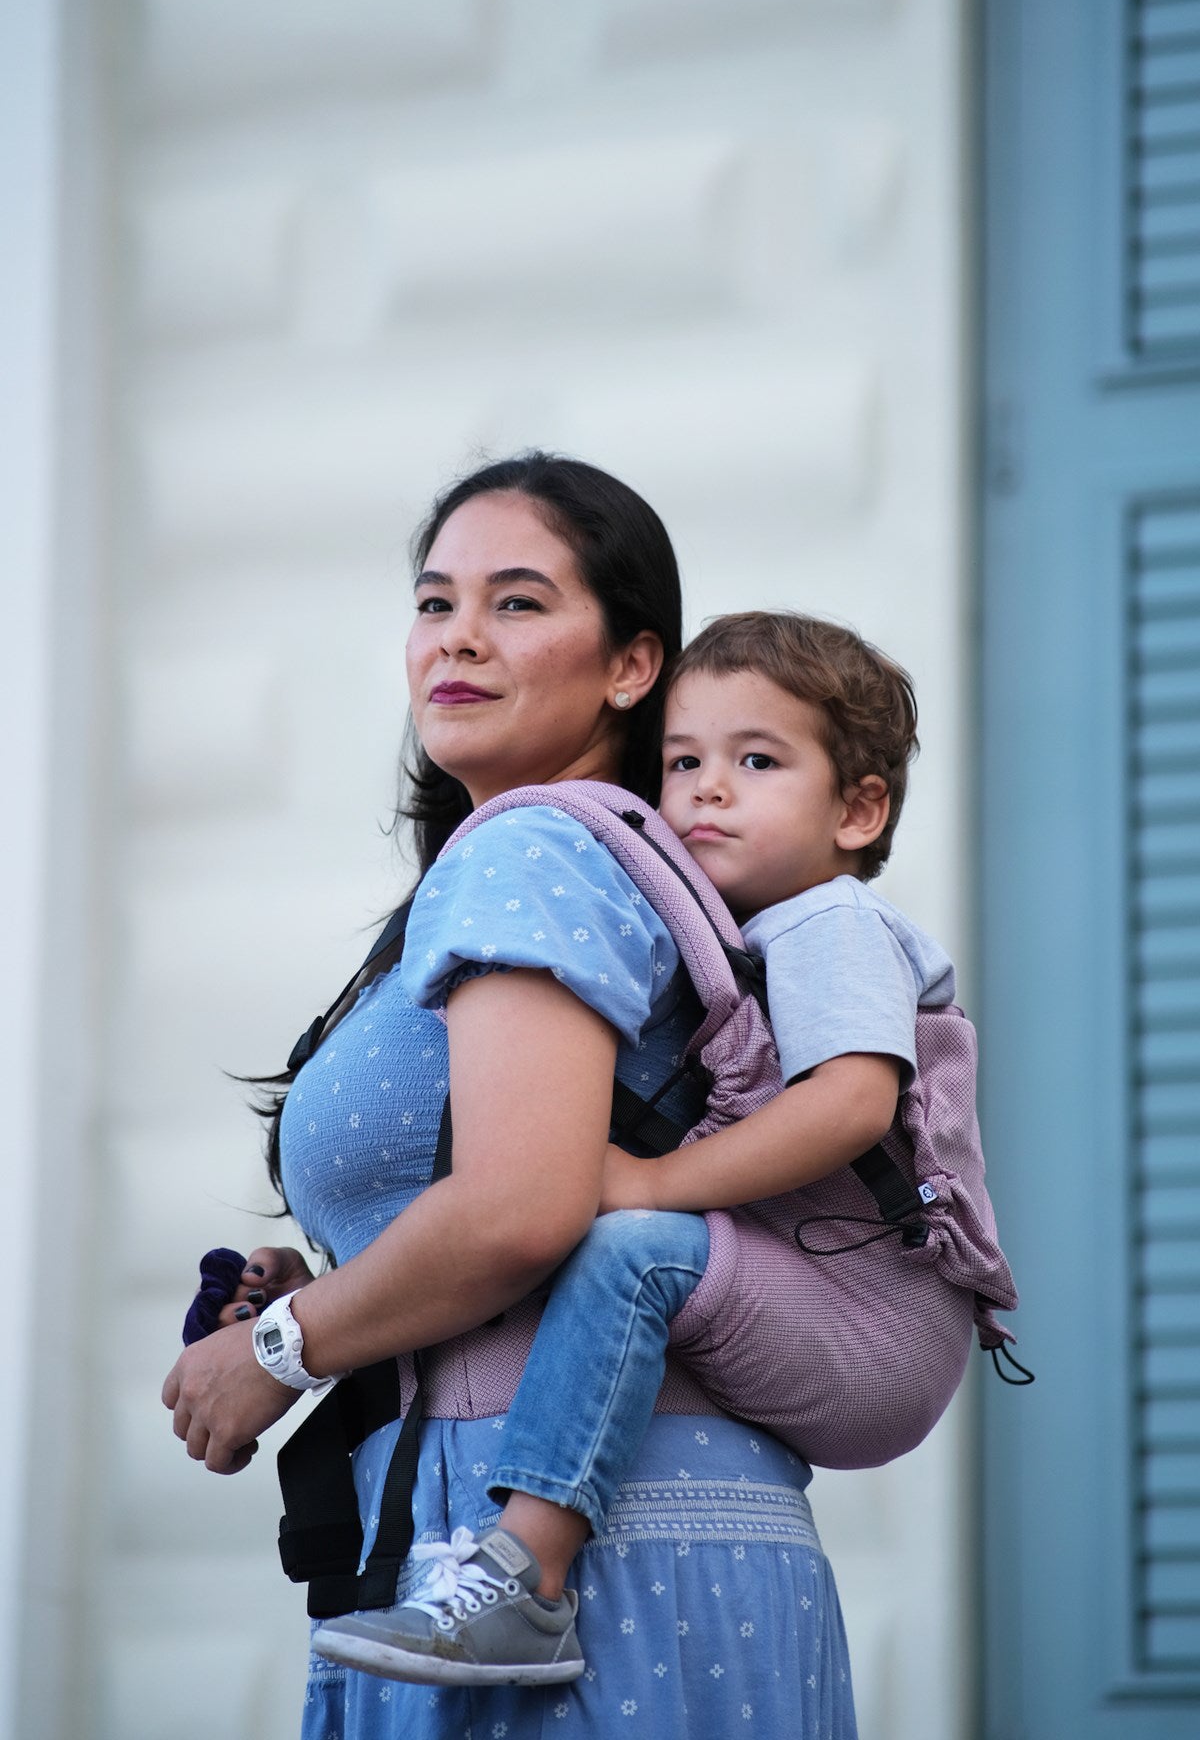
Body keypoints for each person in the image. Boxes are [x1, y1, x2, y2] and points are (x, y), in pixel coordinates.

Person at [162, 454, 858, 1739]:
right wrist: (334, 1273)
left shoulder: (537, 848)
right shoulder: (562, 862)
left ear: (632, 666)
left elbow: (520, 1212)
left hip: (567, 1555)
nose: (459, 639)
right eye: (435, 604)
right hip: (638, 1535)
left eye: (520, 602)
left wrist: (282, 1347)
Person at [311, 609, 956, 1688]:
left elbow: (850, 1105)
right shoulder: (733, 938)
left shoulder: (828, 924)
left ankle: (526, 1582)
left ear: (858, 809)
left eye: (756, 761)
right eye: (683, 761)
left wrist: (653, 1181)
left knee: (636, 1248)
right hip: (816, 1290)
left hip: (879, 1313)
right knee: (635, 1245)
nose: (706, 788)